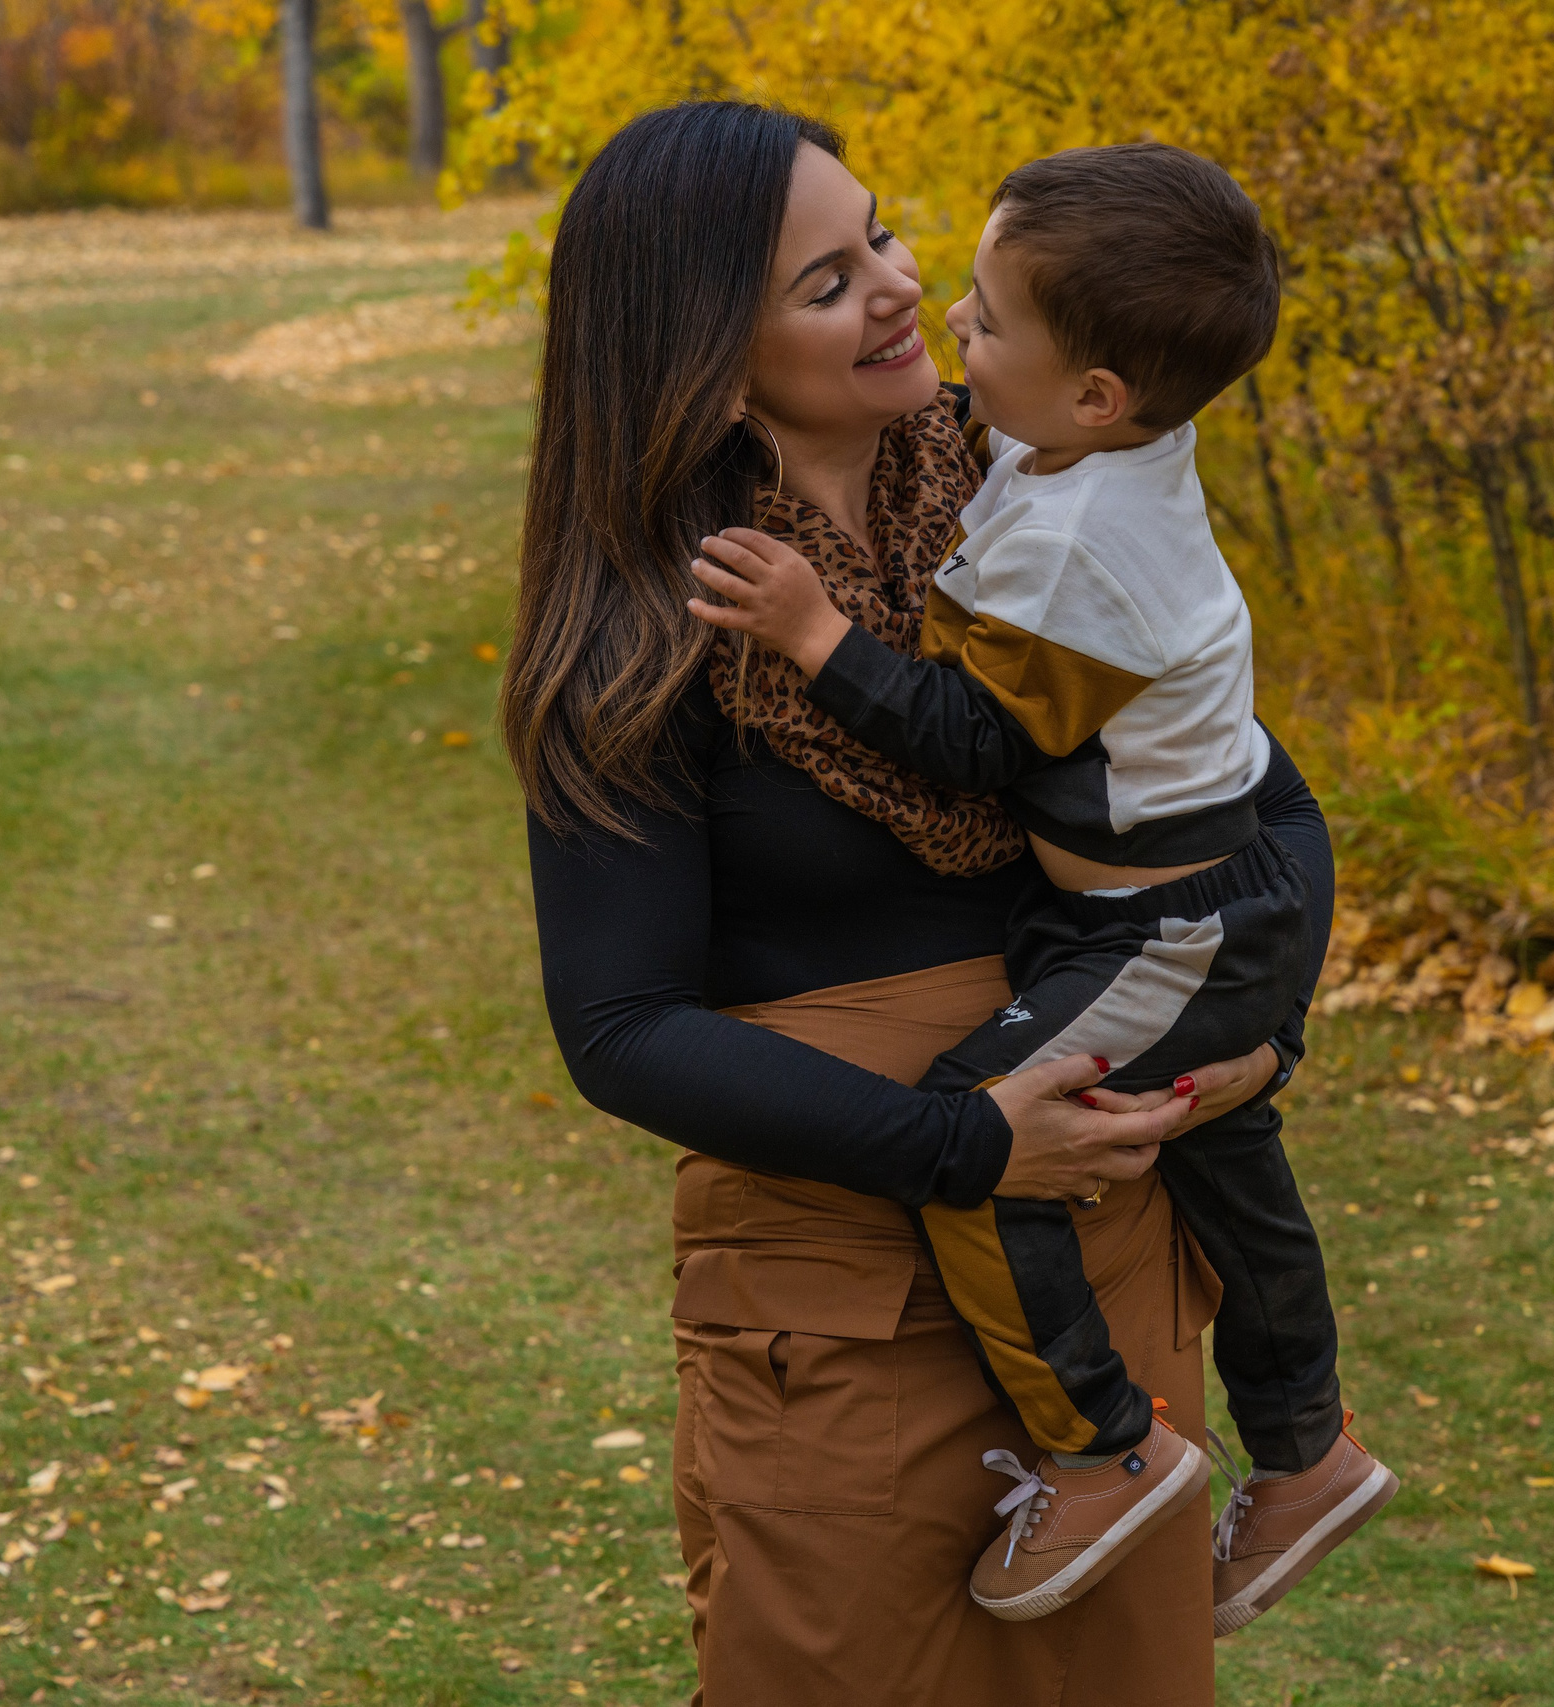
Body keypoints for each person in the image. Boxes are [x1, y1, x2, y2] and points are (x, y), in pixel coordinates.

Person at [508, 101, 1334, 1704]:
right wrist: (966, 1145)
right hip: (844, 1289)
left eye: (881, 236)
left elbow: (1255, 804)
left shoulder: (1042, 503)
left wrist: (1263, 1040)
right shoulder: (657, 614)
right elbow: (618, 1029)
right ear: (699, 350)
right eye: (826, 282)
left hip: (1097, 1240)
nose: (897, 289)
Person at [686, 142, 1393, 1636]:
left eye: (991, 322)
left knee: (992, 1133)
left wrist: (817, 635)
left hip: (1170, 922)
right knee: (1231, 1167)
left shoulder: (1083, 544)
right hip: (1191, 907)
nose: (947, 319)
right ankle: (1309, 1450)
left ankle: (1099, 1445)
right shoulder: (1077, 451)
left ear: (1096, 395)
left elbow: (967, 745)